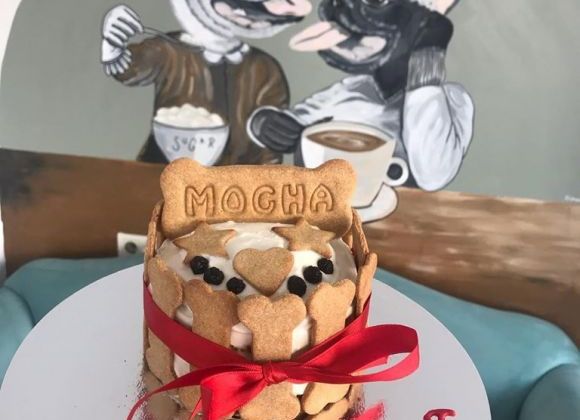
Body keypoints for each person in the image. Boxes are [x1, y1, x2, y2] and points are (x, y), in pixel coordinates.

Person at [101, 0, 312, 164]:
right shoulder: (170, 50)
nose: (245, 14)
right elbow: (128, 68)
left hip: (234, 189)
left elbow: (269, 151)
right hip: (162, 174)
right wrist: (113, 44)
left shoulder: (264, 68)